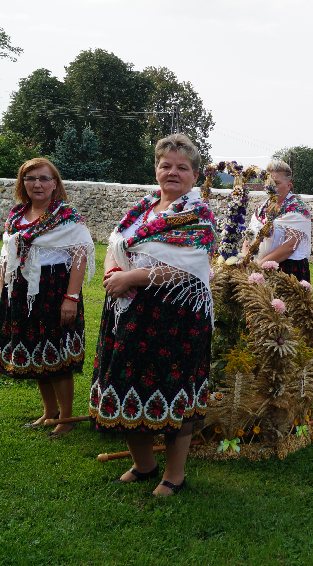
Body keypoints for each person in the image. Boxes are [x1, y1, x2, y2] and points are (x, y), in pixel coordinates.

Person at [89, 134, 216, 496]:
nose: (173, 172)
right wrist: (113, 273)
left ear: (194, 175)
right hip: (128, 312)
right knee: (126, 382)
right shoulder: (140, 211)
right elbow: (115, 244)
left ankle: (175, 475)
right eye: (166, 165)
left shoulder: (199, 217)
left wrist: (132, 278)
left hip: (175, 318)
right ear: (156, 169)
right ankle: (143, 464)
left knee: (173, 389)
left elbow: (189, 269)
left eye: (182, 167)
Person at [0, 158, 94, 437]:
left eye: (43, 178)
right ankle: (49, 411)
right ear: (23, 183)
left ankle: (66, 418)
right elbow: (7, 256)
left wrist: (71, 298)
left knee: (58, 355)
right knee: (38, 351)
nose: (37, 184)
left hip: (54, 290)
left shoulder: (67, 217)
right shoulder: (17, 216)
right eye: (30, 178)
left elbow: (80, 256)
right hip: (22, 291)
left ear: (55, 184)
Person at [244, 159, 312, 281]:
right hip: (256, 269)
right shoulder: (261, 208)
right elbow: (248, 238)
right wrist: (245, 262)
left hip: (287, 271)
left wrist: (259, 266)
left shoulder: (298, 209)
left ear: (289, 185)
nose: (271, 187)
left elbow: (289, 247)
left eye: (276, 183)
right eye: (268, 183)